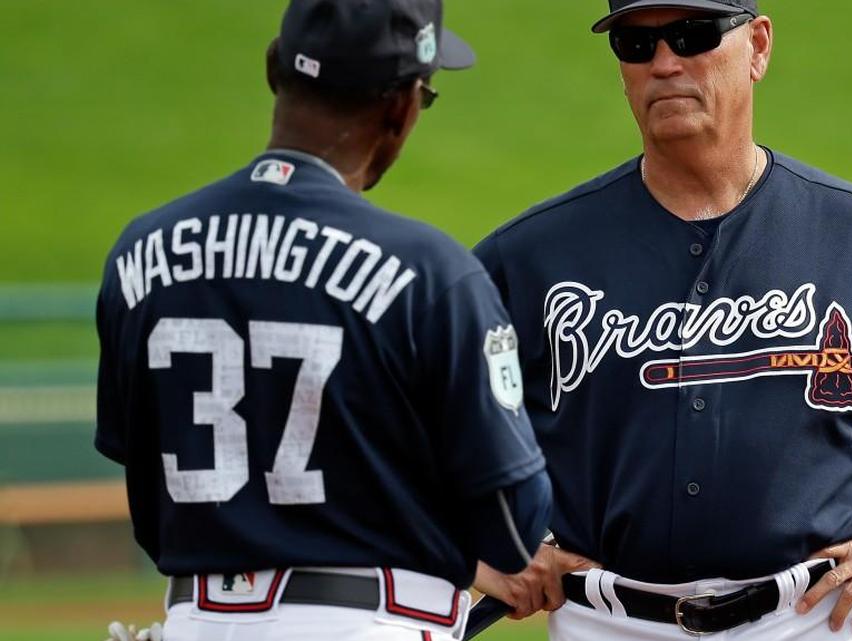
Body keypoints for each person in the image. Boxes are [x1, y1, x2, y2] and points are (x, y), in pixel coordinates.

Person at [470, 1, 852, 639]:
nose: (665, 63)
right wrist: (488, 544)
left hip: (806, 620)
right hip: (607, 621)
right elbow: (394, 410)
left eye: (693, 35)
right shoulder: (535, 254)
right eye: (635, 43)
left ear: (758, 46)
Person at [94, 1, 551, 640]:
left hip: (197, 619)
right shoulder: (429, 271)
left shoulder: (140, 253)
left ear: (274, 67)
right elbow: (512, 522)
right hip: (369, 624)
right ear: (401, 106)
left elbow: (146, 492)